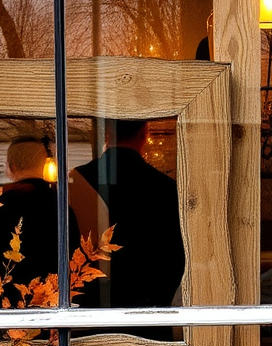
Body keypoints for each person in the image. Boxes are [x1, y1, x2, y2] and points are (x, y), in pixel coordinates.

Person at [70, 119, 185, 312]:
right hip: (148, 312)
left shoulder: (75, 182)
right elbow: (176, 257)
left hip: (90, 313)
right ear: (145, 133)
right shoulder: (166, 188)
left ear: (105, 133)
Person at [0, 135, 78, 299]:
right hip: (53, 298)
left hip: (8, 299)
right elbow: (74, 256)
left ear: (12, 165)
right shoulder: (61, 206)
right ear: (44, 166)